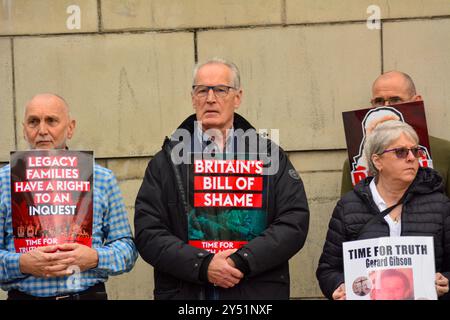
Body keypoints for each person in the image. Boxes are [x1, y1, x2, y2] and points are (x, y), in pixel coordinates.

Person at [134, 58, 310, 300]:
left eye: (220, 90)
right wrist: (203, 265)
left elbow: (294, 222)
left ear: (237, 97)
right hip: (189, 294)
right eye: (202, 90)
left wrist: (241, 261)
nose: (210, 98)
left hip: (254, 292)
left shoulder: (269, 157)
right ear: (192, 97)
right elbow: (149, 233)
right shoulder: (165, 162)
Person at [0, 93, 138, 300]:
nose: (42, 130)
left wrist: (94, 258)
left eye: (52, 121)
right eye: (33, 122)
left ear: (70, 127)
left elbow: (127, 250)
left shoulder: (101, 178)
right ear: (24, 129)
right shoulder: (3, 181)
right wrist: (21, 264)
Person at [317, 120, 450, 300]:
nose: (411, 157)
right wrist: (339, 287)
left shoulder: (440, 205)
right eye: (401, 152)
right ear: (377, 161)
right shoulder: (348, 207)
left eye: (415, 150)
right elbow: (328, 270)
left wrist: (445, 281)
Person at [341, 71, 450, 196]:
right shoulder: (354, 162)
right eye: (379, 101)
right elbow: (348, 210)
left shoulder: (445, 152)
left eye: (395, 100)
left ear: (416, 101)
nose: (386, 106)